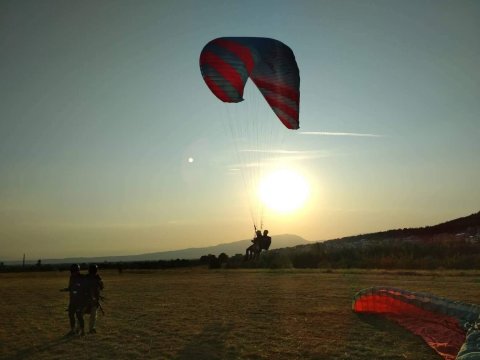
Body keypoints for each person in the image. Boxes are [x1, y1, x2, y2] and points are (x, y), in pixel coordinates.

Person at [65, 264, 87, 336]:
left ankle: (83, 331)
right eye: (72, 271)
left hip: (80, 300)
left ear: (78, 270)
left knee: (79, 315)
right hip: (72, 299)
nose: (73, 273)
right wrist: (67, 289)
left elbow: (85, 288)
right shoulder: (71, 277)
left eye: (74, 271)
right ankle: (72, 330)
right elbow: (70, 287)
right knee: (71, 314)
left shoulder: (83, 277)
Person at [85, 264, 104, 334]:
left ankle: (91, 328)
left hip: (93, 300)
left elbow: (101, 287)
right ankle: (89, 328)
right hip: (87, 299)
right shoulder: (87, 278)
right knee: (86, 314)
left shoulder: (97, 278)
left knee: (92, 315)